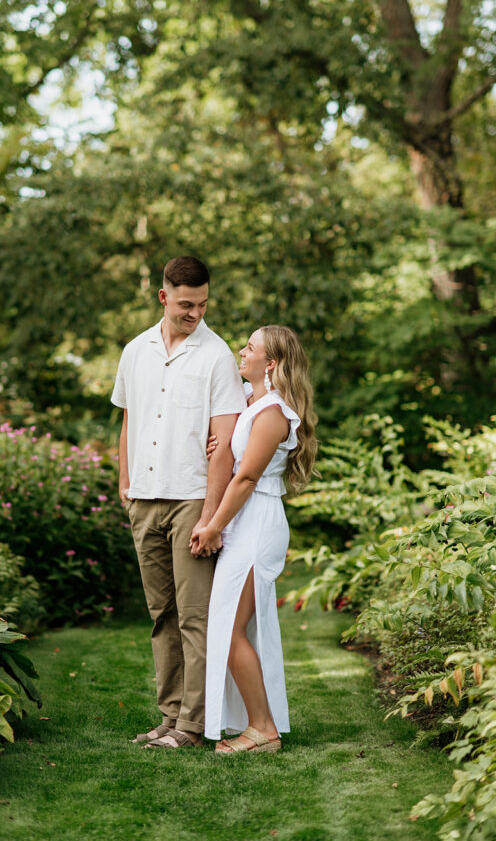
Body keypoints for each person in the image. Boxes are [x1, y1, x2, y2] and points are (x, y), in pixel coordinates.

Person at [111, 256, 247, 749]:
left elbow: (225, 442)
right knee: (161, 614)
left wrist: (210, 514)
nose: (195, 312)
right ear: (163, 296)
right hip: (144, 500)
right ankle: (169, 716)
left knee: (195, 616)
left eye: (203, 303)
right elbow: (129, 420)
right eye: (186, 303)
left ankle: (193, 723)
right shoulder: (135, 351)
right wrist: (125, 484)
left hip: (192, 500)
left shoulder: (217, 356)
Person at [190, 325, 317, 753]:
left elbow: (245, 478)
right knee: (228, 627)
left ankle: (263, 730)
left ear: (272, 363)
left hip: (256, 521)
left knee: (230, 630)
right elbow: (231, 456)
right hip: (242, 520)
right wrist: (217, 447)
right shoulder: (250, 403)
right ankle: (256, 723)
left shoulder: (273, 414)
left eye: (250, 347)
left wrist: (211, 527)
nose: (240, 352)